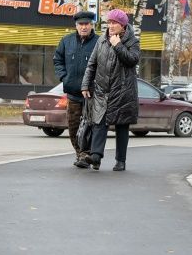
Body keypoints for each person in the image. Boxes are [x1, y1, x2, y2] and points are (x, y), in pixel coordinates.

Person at [80, 9, 139, 171]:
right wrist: (85, 85)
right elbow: (92, 64)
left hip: (123, 92)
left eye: (114, 23)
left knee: (121, 127)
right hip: (102, 90)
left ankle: (121, 161)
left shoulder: (132, 41)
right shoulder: (101, 40)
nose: (111, 26)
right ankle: (96, 157)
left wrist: (118, 45)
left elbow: (132, 60)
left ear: (123, 25)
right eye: (109, 22)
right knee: (99, 123)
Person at [53, 10, 99, 166]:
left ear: (92, 25)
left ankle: (87, 154)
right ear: (76, 25)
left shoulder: (99, 42)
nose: (84, 27)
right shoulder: (66, 41)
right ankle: (80, 154)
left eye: (87, 24)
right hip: (72, 93)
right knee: (73, 127)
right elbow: (57, 60)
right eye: (81, 24)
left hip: (92, 94)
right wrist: (64, 77)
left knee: (90, 126)